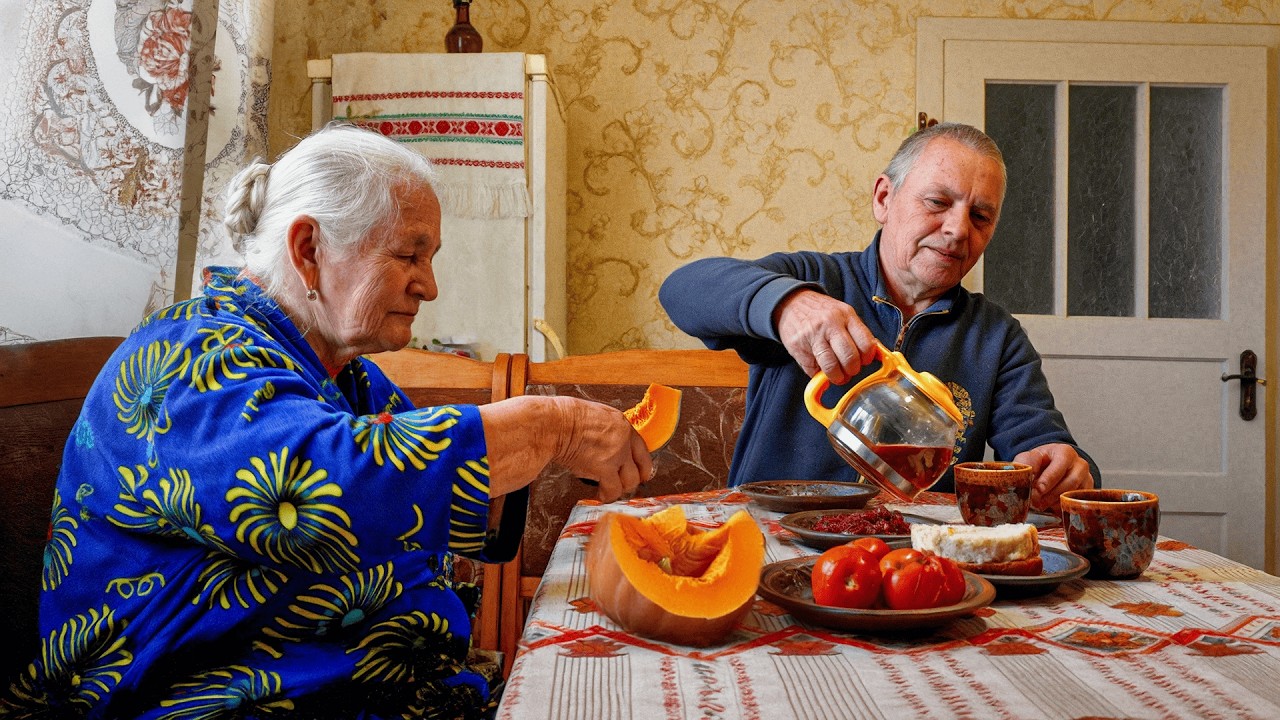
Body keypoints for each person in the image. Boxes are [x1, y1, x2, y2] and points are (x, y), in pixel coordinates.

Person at [10, 124, 650, 719]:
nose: (429, 286)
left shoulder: (351, 377)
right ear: (309, 249)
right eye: (409, 254)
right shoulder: (185, 356)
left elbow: (418, 495)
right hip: (200, 703)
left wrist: (513, 483)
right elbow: (335, 489)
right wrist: (551, 426)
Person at [659, 122, 1098, 510]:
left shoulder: (997, 337)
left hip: (912, 557)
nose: (959, 229)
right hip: (774, 533)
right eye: (937, 202)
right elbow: (681, 290)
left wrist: (1064, 467)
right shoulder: (811, 278)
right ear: (884, 198)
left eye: (980, 216)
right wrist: (786, 305)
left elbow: (1043, 444)